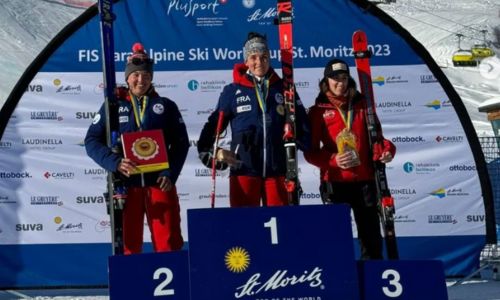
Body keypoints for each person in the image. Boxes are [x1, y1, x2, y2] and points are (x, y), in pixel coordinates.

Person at [85, 42, 189, 255]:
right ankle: (132, 287)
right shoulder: (112, 106)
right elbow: (92, 140)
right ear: (127, 77)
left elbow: (181, 143)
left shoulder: (165, 105)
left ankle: (174, 286)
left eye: (146, 75)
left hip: (159, 183)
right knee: (128, 246)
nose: (141, 80)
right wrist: (114, 163)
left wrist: (170, 173)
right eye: (136, 75)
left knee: (168, 243)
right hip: (126, 185)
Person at [197, 32, 310, 207]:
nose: (259, 62)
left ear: (270, 58)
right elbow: (209, 133)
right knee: (245, 228)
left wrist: (303, 143)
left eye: (264, 57)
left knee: (280, 226)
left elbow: (304, 129)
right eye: (254, 57)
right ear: (246, 61)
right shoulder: (232, 91)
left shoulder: (285, 88)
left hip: (278, 171)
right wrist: (216, 152)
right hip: (243, 170)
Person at [303, 59, 396, 260]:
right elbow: (310, 153)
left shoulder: (364, 105)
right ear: (326, 81)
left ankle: (372, 279)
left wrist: (387, 150)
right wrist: (334, 160)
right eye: (335, 79)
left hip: (366, 181)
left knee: (370, 236)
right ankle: (342, 279)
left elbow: (378, 139)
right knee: (337, 236)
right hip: (335, 183)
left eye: (344, 78)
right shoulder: (317, 111)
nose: (340, 83)